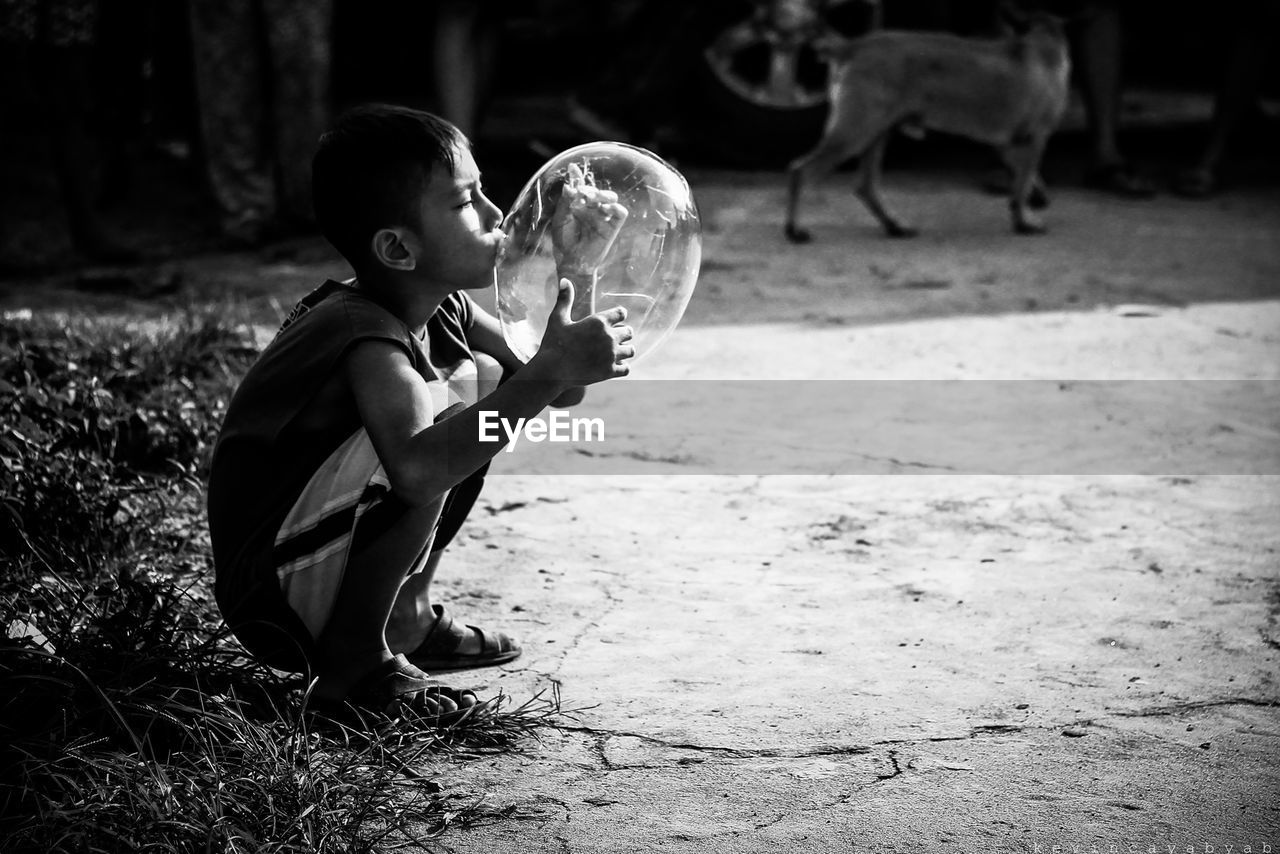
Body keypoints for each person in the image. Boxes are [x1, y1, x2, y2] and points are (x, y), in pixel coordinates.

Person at [206, 104, 634, 717]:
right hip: (272, 588)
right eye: (466, 202)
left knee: (482, 391)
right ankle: (351, 667)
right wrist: (544, 373)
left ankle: (404, 616)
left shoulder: (447, 307)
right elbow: (419, 470)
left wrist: (578, 270)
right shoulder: (365, 337)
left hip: (311, 551)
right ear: (398, 250)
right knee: (442, 436)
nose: (496, 214)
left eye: (485, 191)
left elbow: (559, 389)